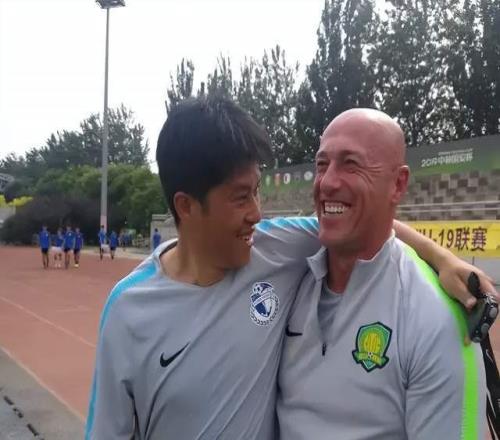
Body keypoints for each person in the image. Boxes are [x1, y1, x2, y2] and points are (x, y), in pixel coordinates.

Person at [85, 97, 495, 440]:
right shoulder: (129, 309)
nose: (256, 213)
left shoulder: (271, 247)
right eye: (241, 198)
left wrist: (440, 256)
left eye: (256, 192)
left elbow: (362, 220)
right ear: (186, 206)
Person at [277, 109, 487, 439]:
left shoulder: (435, 318)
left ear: (398, 184)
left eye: (351, 164)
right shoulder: (287, 270)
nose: (327, 182)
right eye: (322, 164)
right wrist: (437, 252)